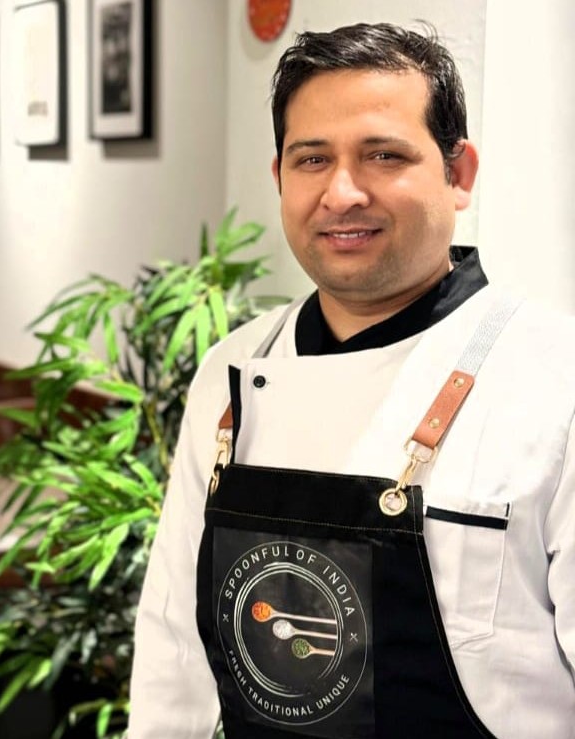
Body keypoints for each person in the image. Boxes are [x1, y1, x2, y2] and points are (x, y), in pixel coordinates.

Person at [127, 22, 575, 739]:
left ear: (459, 174)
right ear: (280, 178)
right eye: (312, 159)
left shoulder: (553, 381)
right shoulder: (231, 372)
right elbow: (172, 653)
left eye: (383, 155)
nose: (342, 192)